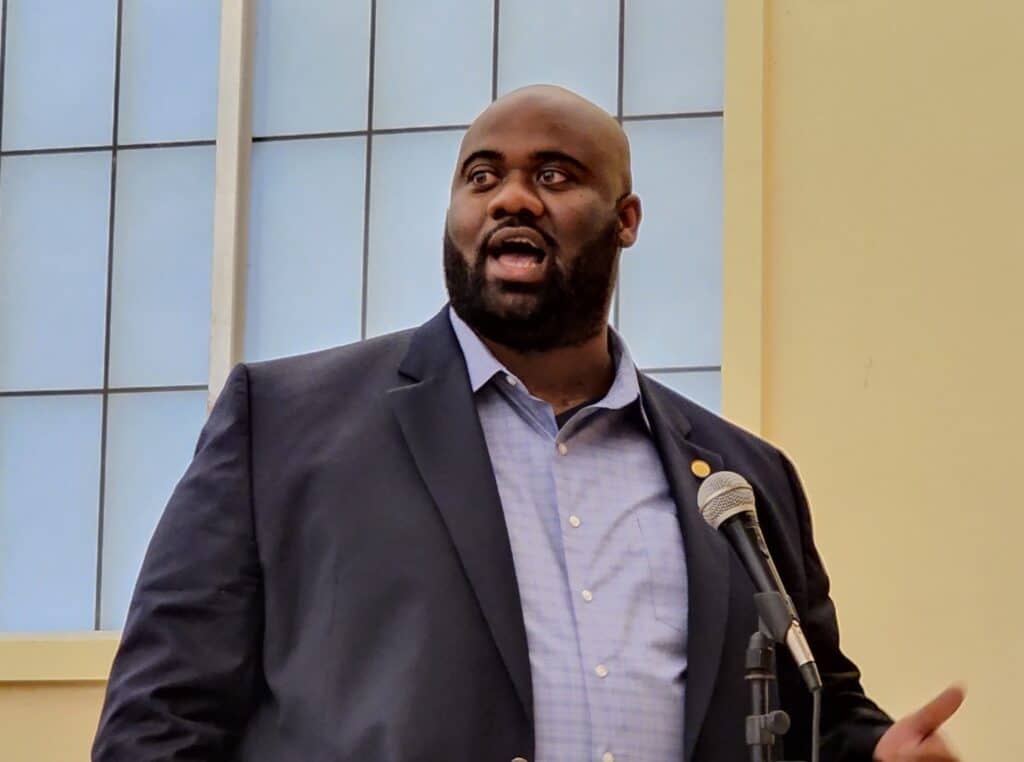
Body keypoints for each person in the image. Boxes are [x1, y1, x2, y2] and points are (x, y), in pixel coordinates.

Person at [93, 85, 963, 761]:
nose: (512, 197)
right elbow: (161, 717)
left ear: (625, 220)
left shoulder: (742, 480)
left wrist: (878, 753)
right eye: (483, 176)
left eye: (554, 175)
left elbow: (820, 710)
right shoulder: (284, 425)